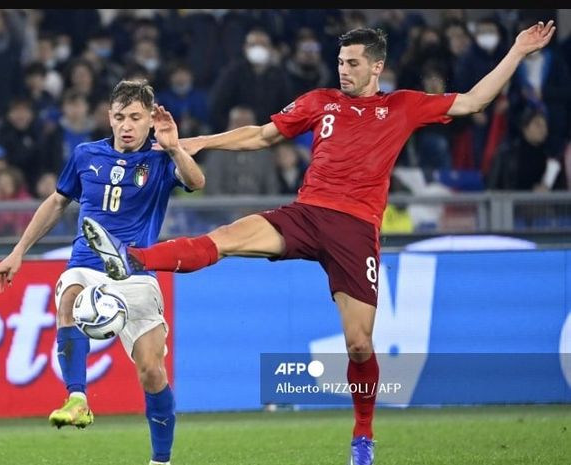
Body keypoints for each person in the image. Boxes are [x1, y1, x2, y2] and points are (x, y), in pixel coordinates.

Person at [82, 22, 557, 465]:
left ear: (376, 67)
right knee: (224, 238)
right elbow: (262, 135)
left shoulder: (402, 106)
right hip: (306, 215)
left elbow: (473, 102)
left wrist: (516, 50)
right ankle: (130, 259)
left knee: (358, 344)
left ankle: (363, 435)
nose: (343, 70)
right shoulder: (320, 101)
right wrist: (196, 142)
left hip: (356, 232)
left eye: (352, 63)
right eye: (340, 62)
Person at [0, 80, 205, 465]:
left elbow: (196, 183)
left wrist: (174, 147)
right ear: (109, 117)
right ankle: (77, 399)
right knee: (70, 294)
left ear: (150, 120)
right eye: (119, 117)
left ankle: (161, 460)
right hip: (88, 265)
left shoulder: (160, 159)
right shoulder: (86, 154)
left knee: (152, 373)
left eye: (136, 118)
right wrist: (17, 252)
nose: (126, 126)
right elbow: (56, 202)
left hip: (137, 273)